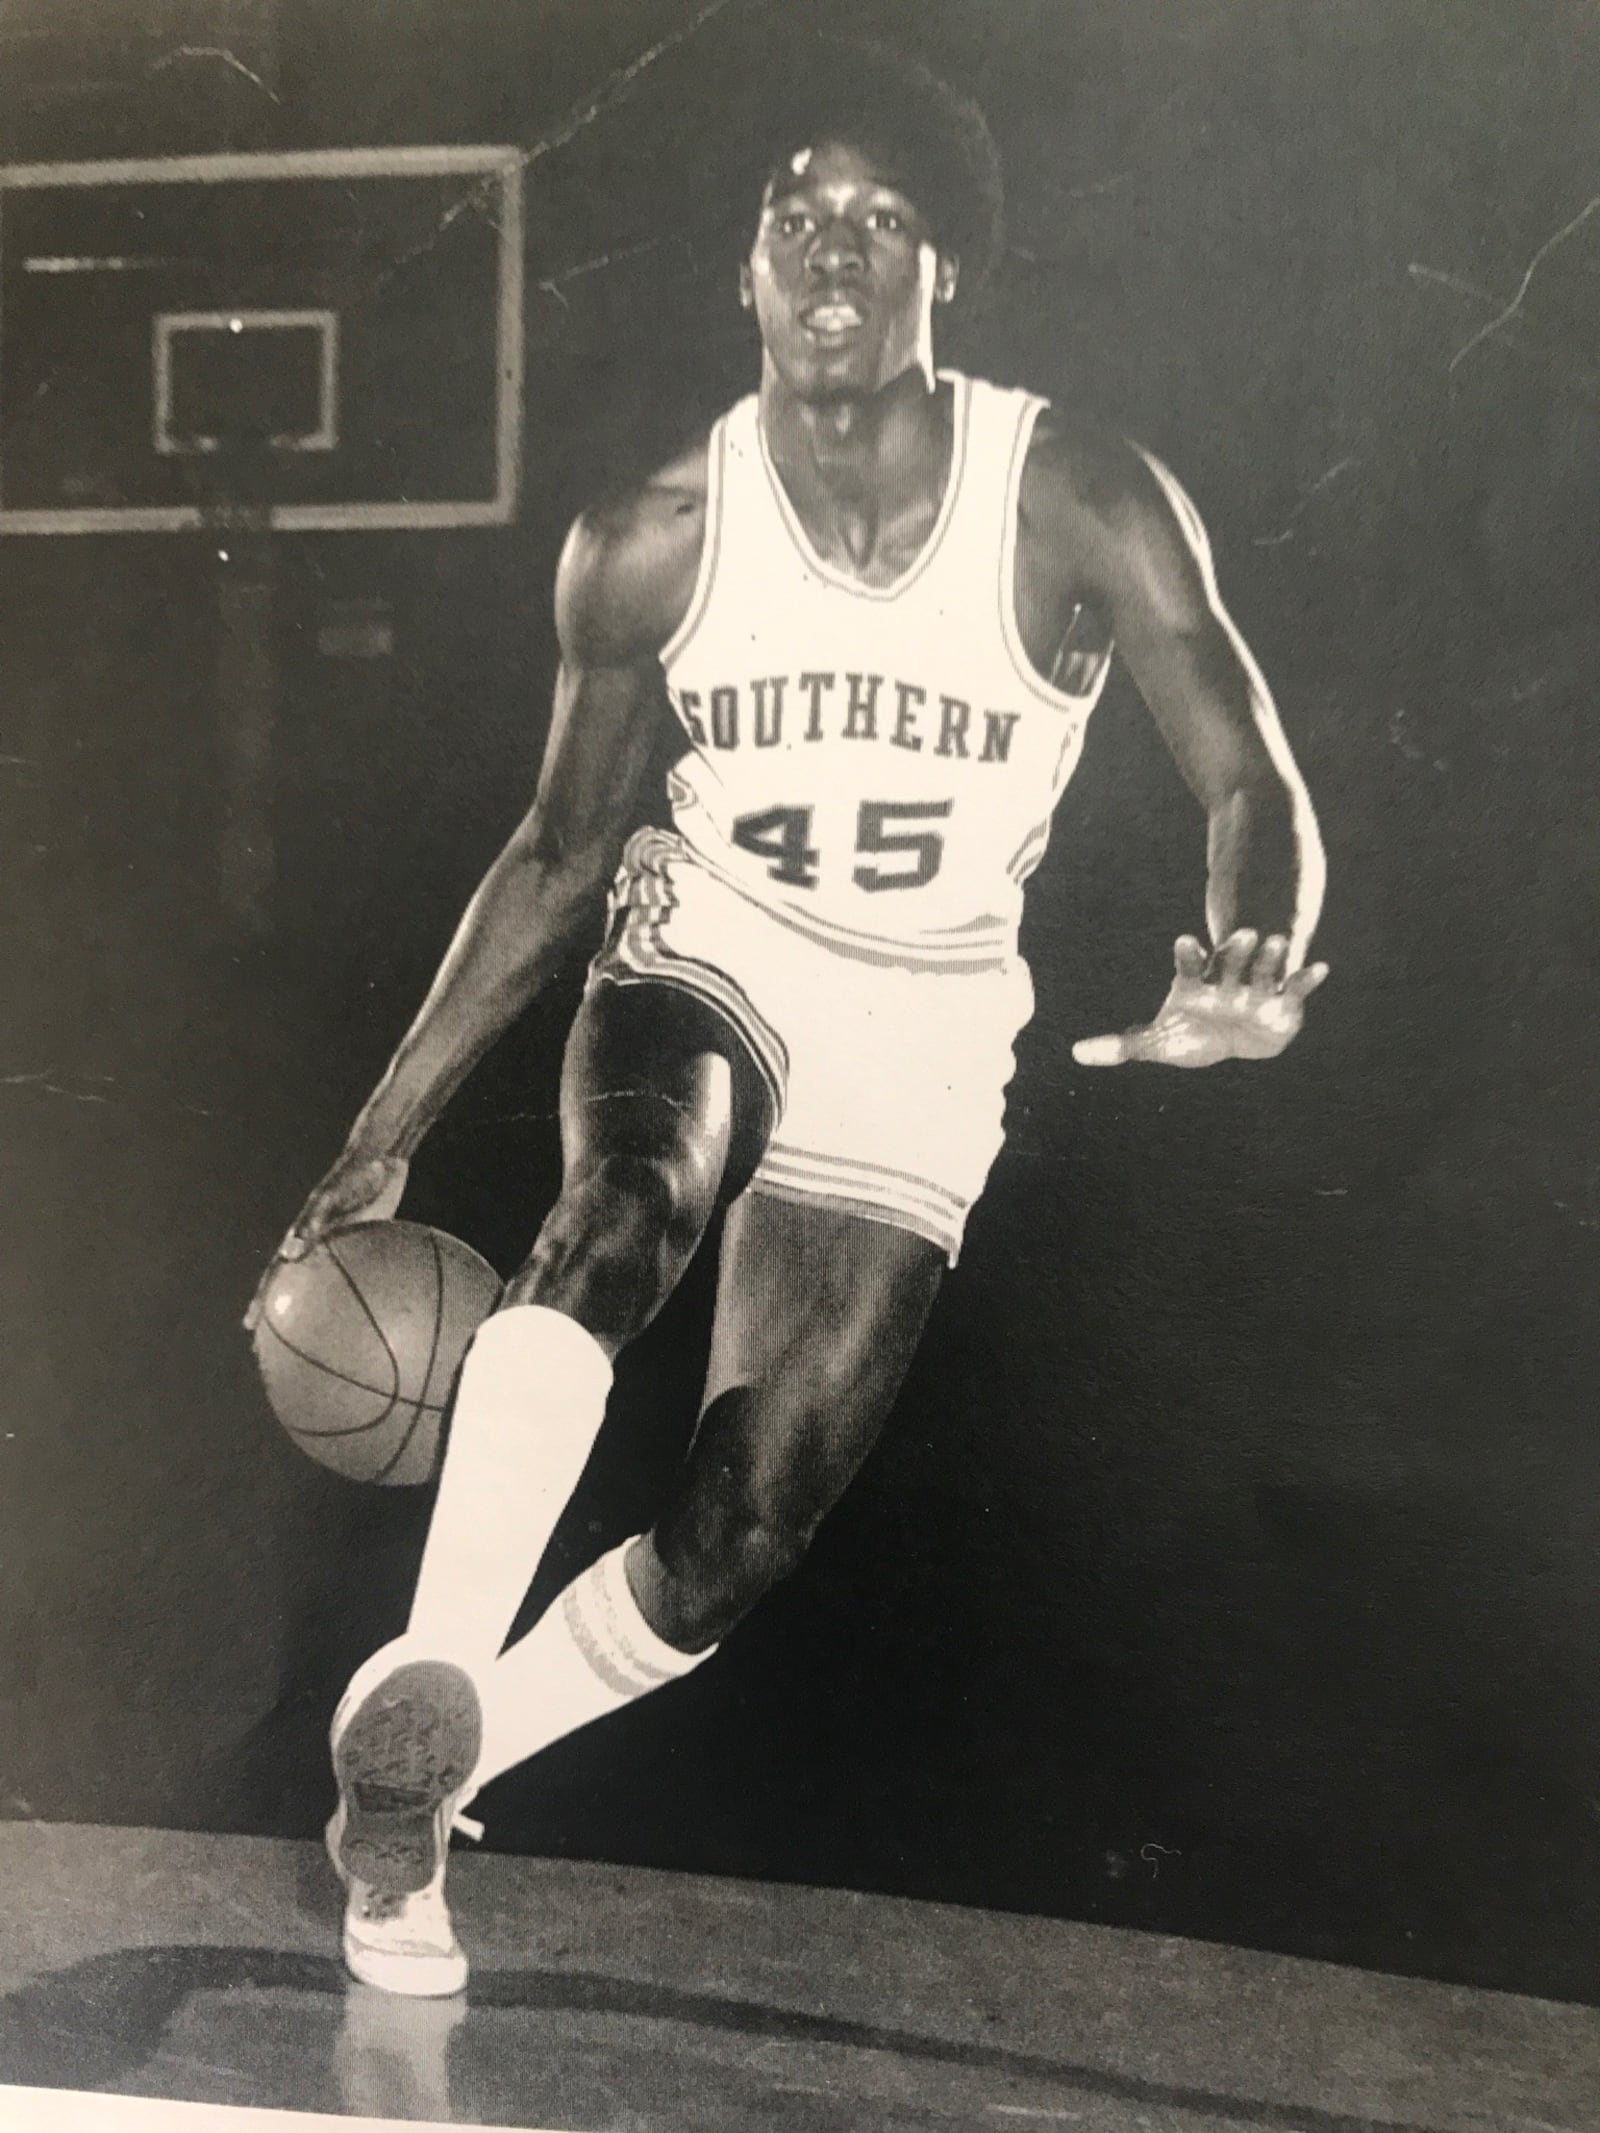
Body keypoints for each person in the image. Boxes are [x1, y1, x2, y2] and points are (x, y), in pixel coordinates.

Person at [249, 45, 1327, 1997]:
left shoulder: (1071, 492)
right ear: (744, 273)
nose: (834, 244)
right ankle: (428, 1659)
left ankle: (426, 1770)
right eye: (795, 214)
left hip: (922, 1007)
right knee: (626, 1197)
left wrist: (1244, 953)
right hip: (712, 930)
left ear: (946, 272)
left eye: (880, 218)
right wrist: (386, 1117)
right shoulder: (653, 529)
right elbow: (558, 846)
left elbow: (1241, 768)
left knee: (737, 1531)